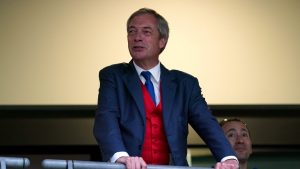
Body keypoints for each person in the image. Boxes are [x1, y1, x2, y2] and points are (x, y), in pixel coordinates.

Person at [93, 8, 239, 169]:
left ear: (162, 41)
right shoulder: (113, 76)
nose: (137, 38)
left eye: (146, 32)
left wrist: (228, 157)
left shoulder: (185, 84)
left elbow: (206, 123)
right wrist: (120, 157)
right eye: (131, 32)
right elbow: (106, 120)